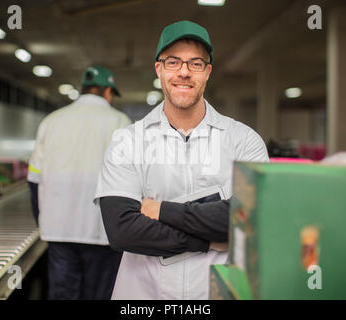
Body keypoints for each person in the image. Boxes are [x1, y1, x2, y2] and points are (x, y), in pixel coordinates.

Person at [94, 20, 269, 299]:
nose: (184, 72)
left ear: (208, 71)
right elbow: (123, 230)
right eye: (173, 62)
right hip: (144, 295)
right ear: (159, 69)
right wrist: (209, 240)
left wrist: (162, 210)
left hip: (217, 294)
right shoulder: (127, 142)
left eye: (195, 63)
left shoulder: (243, 141)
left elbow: (251, 220)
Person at [27, 66, 132, 299]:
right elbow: (132, 183)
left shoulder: (51, 121)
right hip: (102, 232)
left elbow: (34, 180)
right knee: (99, 295)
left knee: (63, 295)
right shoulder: (120, 121)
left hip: (59, 231)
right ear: (107, 92)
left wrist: (43, 222)